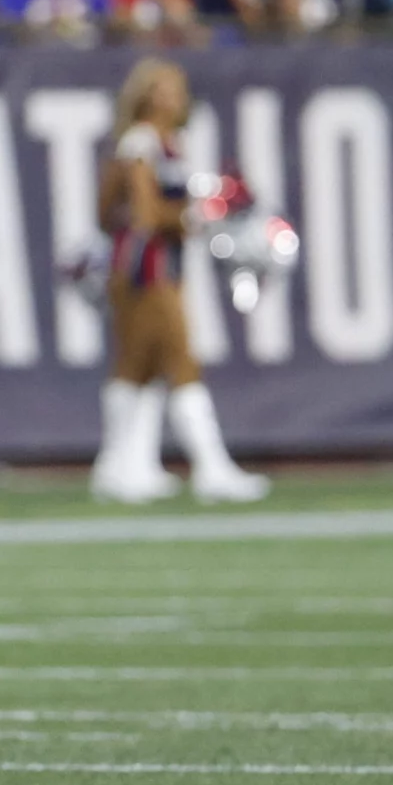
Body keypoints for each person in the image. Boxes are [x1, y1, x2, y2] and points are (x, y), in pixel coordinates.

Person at [90, 58, 268, 505]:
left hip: (163, 264)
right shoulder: (140, 143)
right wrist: (202, 214)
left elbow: (114, 210)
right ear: (147, 96)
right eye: (166, 89)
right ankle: (212, 467)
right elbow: (146, 217)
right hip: (143, 266)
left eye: (178, 88)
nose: (176, 98)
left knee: (139, 366)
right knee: (182, 361)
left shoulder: (170, 143)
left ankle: (118, 465)